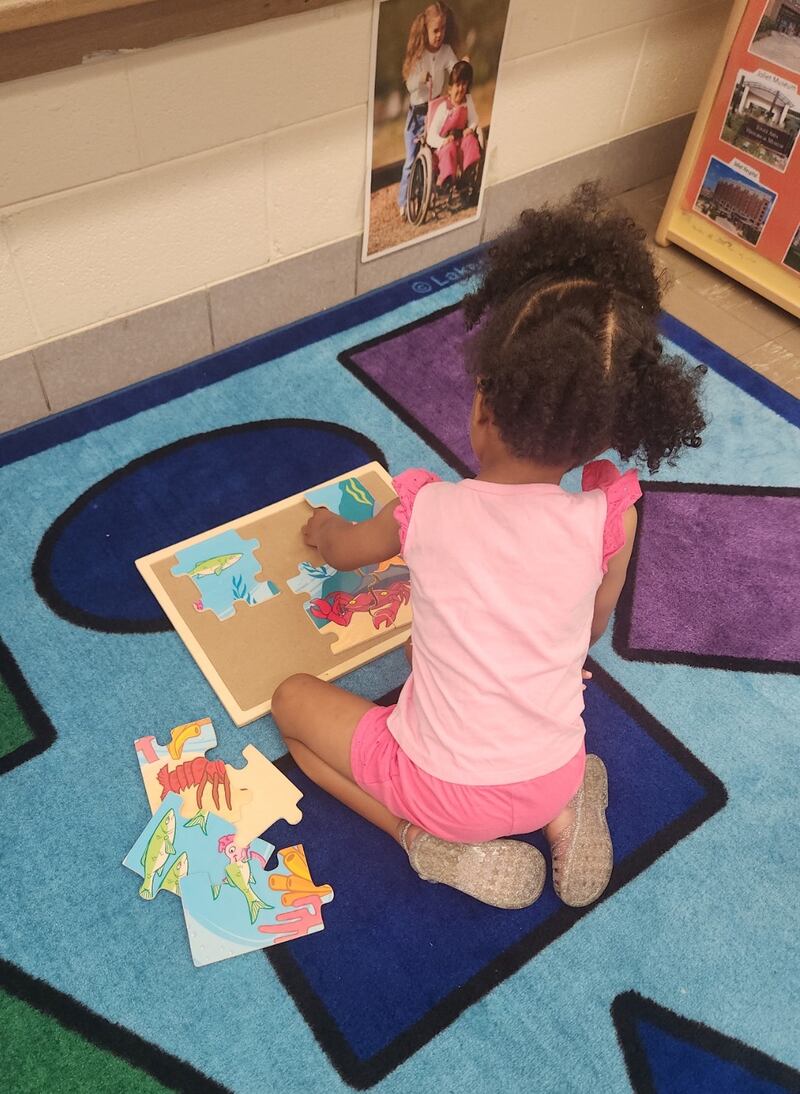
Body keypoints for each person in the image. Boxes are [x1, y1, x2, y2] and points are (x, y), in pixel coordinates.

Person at [272, 183, 707, 911]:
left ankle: (421, 842)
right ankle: (568, 812)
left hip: (443, 795)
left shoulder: (426, 509)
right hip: (552, 769)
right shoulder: (610, 518)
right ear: (606, 432)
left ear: (480, 403)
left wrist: (321, 529)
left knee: (293, 710)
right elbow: (590, 630)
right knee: (448, 657)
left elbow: (345, 553)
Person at [398, 2, 460, 218]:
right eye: (435, 30)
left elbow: (454, 69)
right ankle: (404, 201)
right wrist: (420, 78)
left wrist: (462, 67)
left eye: (443, 29)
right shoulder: (419, 54)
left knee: (434, 152)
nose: (439, 35)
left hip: (436, 109)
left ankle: (430, 192)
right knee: (410, 158)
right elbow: (409, 84)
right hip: (417, 112)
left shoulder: (446, 51)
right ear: (425, 30)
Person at [427, 60, 481, 191]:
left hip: (460, 141)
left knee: (470, 140)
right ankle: (447, 180)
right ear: (450, 89)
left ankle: (467, 174)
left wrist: (470, 128)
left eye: (464, 84)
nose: (461, 89)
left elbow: (474, 118)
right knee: (449, 148)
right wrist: (443, 141)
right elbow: (431, 136)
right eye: (458, 85)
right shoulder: (443, 108)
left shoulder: (467, 102)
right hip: (444, 146)